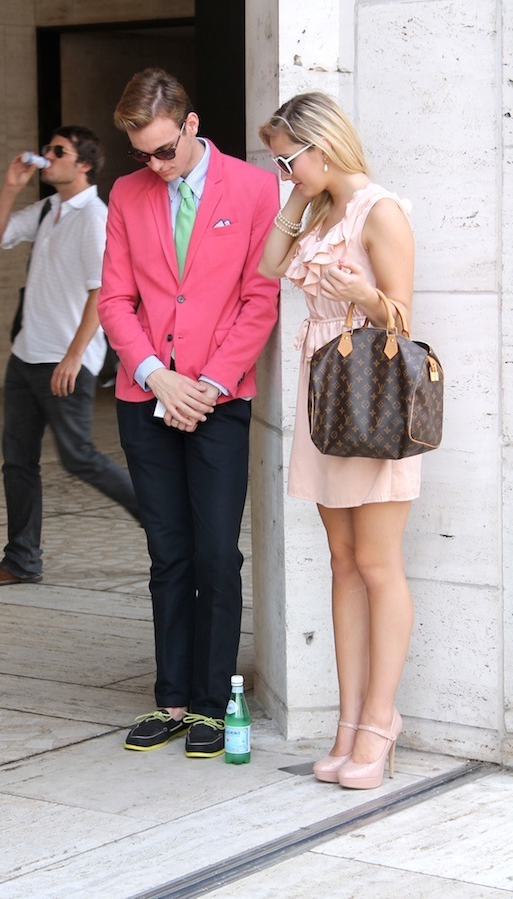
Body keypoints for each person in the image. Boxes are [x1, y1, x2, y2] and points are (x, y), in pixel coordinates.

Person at [98, 68, 279, 758]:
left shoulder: (256, 188)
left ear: (192, 124)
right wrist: (156, 376)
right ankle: (171, 697)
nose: (155, 165)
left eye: (165, 150)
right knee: (167, 552)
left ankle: (211, 703)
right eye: (141, 153)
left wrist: (205, 385)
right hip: (145, 395)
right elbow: (115, 299)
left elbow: (259, 299)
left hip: (218, 399)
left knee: (216, 555)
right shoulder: (127, 193)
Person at [259, 92, 419, 789]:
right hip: (326, 398)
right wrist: (297, 198)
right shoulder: (321, 212)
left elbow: (403, 319)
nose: (283, 172)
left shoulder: (380, 211)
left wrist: (360, 295)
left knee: (378, 564)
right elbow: (269, 266)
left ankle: (381, 721)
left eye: (287, 160)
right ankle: (349, 722)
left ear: (320, 146)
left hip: (372, 401)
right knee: (343, 562)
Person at [0, 125, 140, 589]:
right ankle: (21, 561)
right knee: (17, 462)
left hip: (65, 361)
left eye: (58, 151)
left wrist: (73, 357)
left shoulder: (95, 218)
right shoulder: (48, 209)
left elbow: (102, 293)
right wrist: (11, 186)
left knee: (79, 457)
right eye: (48, 148)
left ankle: (164, 524)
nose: (47, 155)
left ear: (84, 164)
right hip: (25, 355)